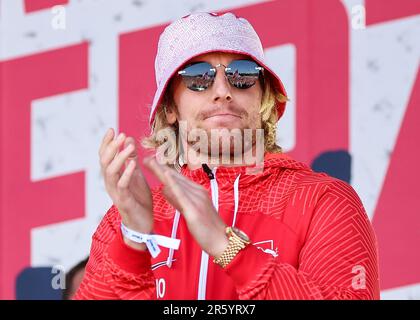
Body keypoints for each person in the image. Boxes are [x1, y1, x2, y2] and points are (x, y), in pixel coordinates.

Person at [74, 12, 379, 300]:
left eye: (242, 75)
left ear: (264, 97)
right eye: (198, 77)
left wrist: (227, 246)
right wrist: (134, 240)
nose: (222, 90)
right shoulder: (123, 221)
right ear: (169, 108)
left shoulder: (322, 199)